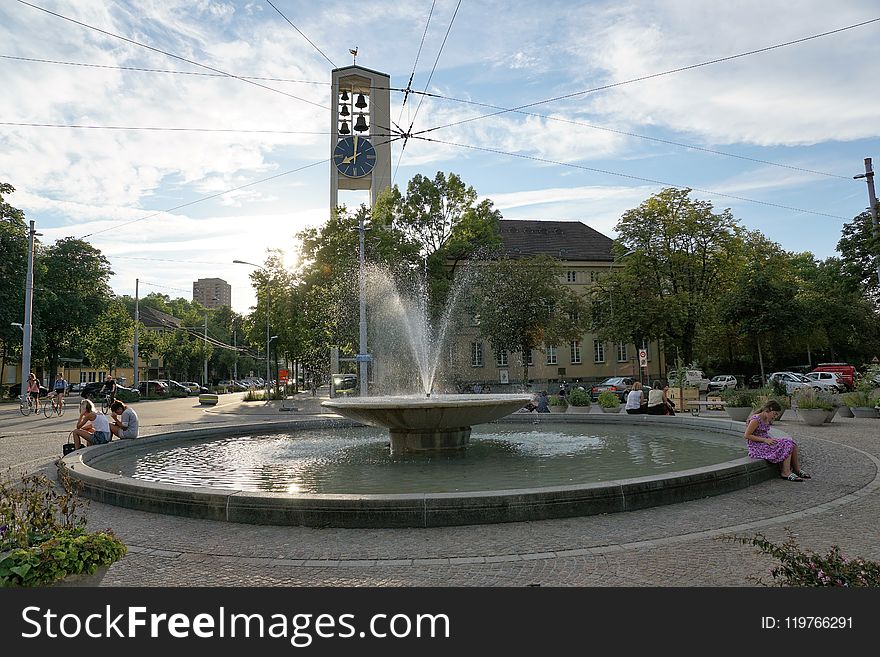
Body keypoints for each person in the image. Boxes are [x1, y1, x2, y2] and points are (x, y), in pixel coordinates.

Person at [744, 400, 810, 481]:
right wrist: (765, 440)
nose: (775, 417)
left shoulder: (766, 419)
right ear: (769, 409)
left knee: (792, 444)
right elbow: (747, 435)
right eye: (774, 414)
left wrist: (768, 440)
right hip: (757, 446)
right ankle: (786, 472)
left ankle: (797, 469)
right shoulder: (756, 420)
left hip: (765, 442)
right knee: (787, 444)